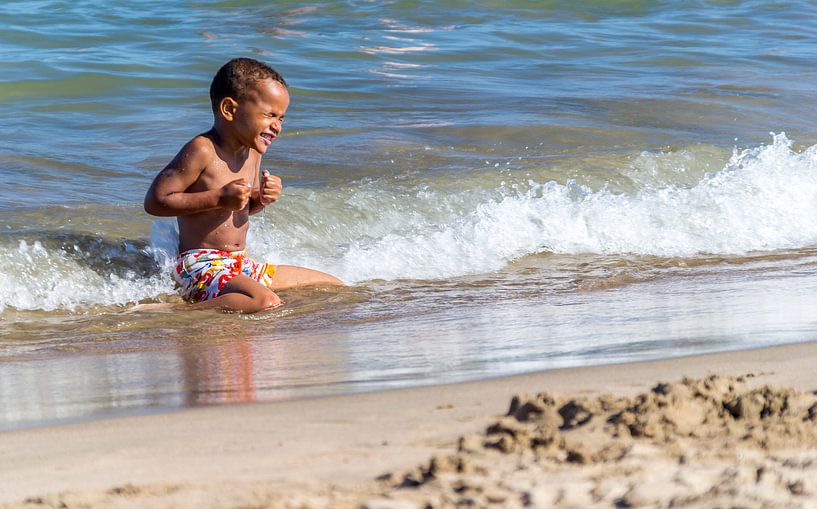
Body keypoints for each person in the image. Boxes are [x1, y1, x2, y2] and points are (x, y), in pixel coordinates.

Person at [143, 57, 342, 313]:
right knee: (266, 301)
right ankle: (176, 312)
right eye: (269, 115)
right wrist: (218, 198)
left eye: (282, 118)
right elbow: (156, 201)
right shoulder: (202, 150)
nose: (277, 126)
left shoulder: (253, 152)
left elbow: (239, 209)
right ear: (229, 109)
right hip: (201, 267)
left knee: (333, 286)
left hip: (241, 265)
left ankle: (242, 295)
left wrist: (261, 198)